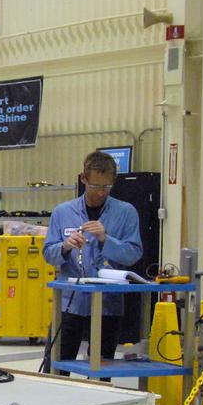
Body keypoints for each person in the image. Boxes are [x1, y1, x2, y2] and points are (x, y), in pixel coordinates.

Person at [43, 151, 143, 374]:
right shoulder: (62, 212)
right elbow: (49, 254)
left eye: (106, 187)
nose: (100, 192)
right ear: (83, 178)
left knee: (101, 370)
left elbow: (133, 254)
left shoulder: (126, 213)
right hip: (69, 303)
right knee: (55, 366)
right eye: (95, 186)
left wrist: (106, 239)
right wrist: (65, 246)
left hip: (107, 306)